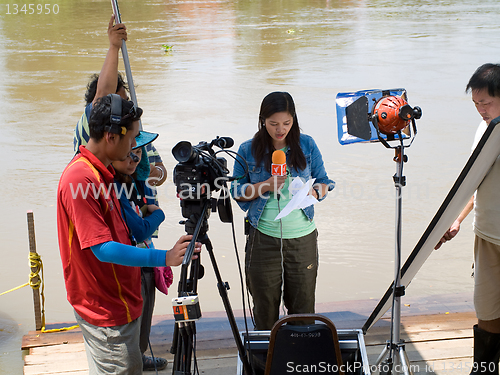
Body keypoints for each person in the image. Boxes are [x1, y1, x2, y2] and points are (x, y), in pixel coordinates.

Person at [57, 94, 201, 374]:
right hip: (104, 307)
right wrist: (165, 257)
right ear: (111, 137)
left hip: (120, 297)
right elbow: (103, 249)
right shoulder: (81, 178)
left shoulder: (104, 173)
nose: (135, 147)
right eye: (133, 138)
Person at [230, 91, 334, 330]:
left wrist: (315, 192)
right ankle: (263, 364)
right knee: (265, 309)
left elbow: (324, 180)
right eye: (273, 123)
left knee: (303, 310)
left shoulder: (306, 144)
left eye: (286, 123)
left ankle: (298, 361)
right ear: (262, 120)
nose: (280, 129)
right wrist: (264, 186)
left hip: (303, 239)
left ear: (293, 120)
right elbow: (236, 189)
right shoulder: (247, 149)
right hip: (263, 238)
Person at [435, 63, 500, 374]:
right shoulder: (485, 127)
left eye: (485, 103)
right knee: (487, 309)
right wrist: (455, 220)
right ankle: (483, 369)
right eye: (475, 104)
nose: (480, 110)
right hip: (487, 236)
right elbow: (474, 181)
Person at [73, 15, 167, 188]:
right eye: (119, 103)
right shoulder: (93, 125)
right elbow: (103, 92)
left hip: (141, 208)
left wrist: (154, 173)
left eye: (127, 101)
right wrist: (114, 47)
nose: (126, 108)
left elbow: (161, 172)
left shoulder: (134, 132)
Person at [112, 146, 171, 371]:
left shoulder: (133, 178)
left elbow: (162, 174)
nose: (134, 158)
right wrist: (159, 214)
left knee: (145, 309)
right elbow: (139, 229)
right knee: (131, 315)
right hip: (130, 254)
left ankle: (140, 355)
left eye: (138, 153)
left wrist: (146, 173)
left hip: (144, 250)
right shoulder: (114, 185)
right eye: (128, 152)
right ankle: (131, 359)